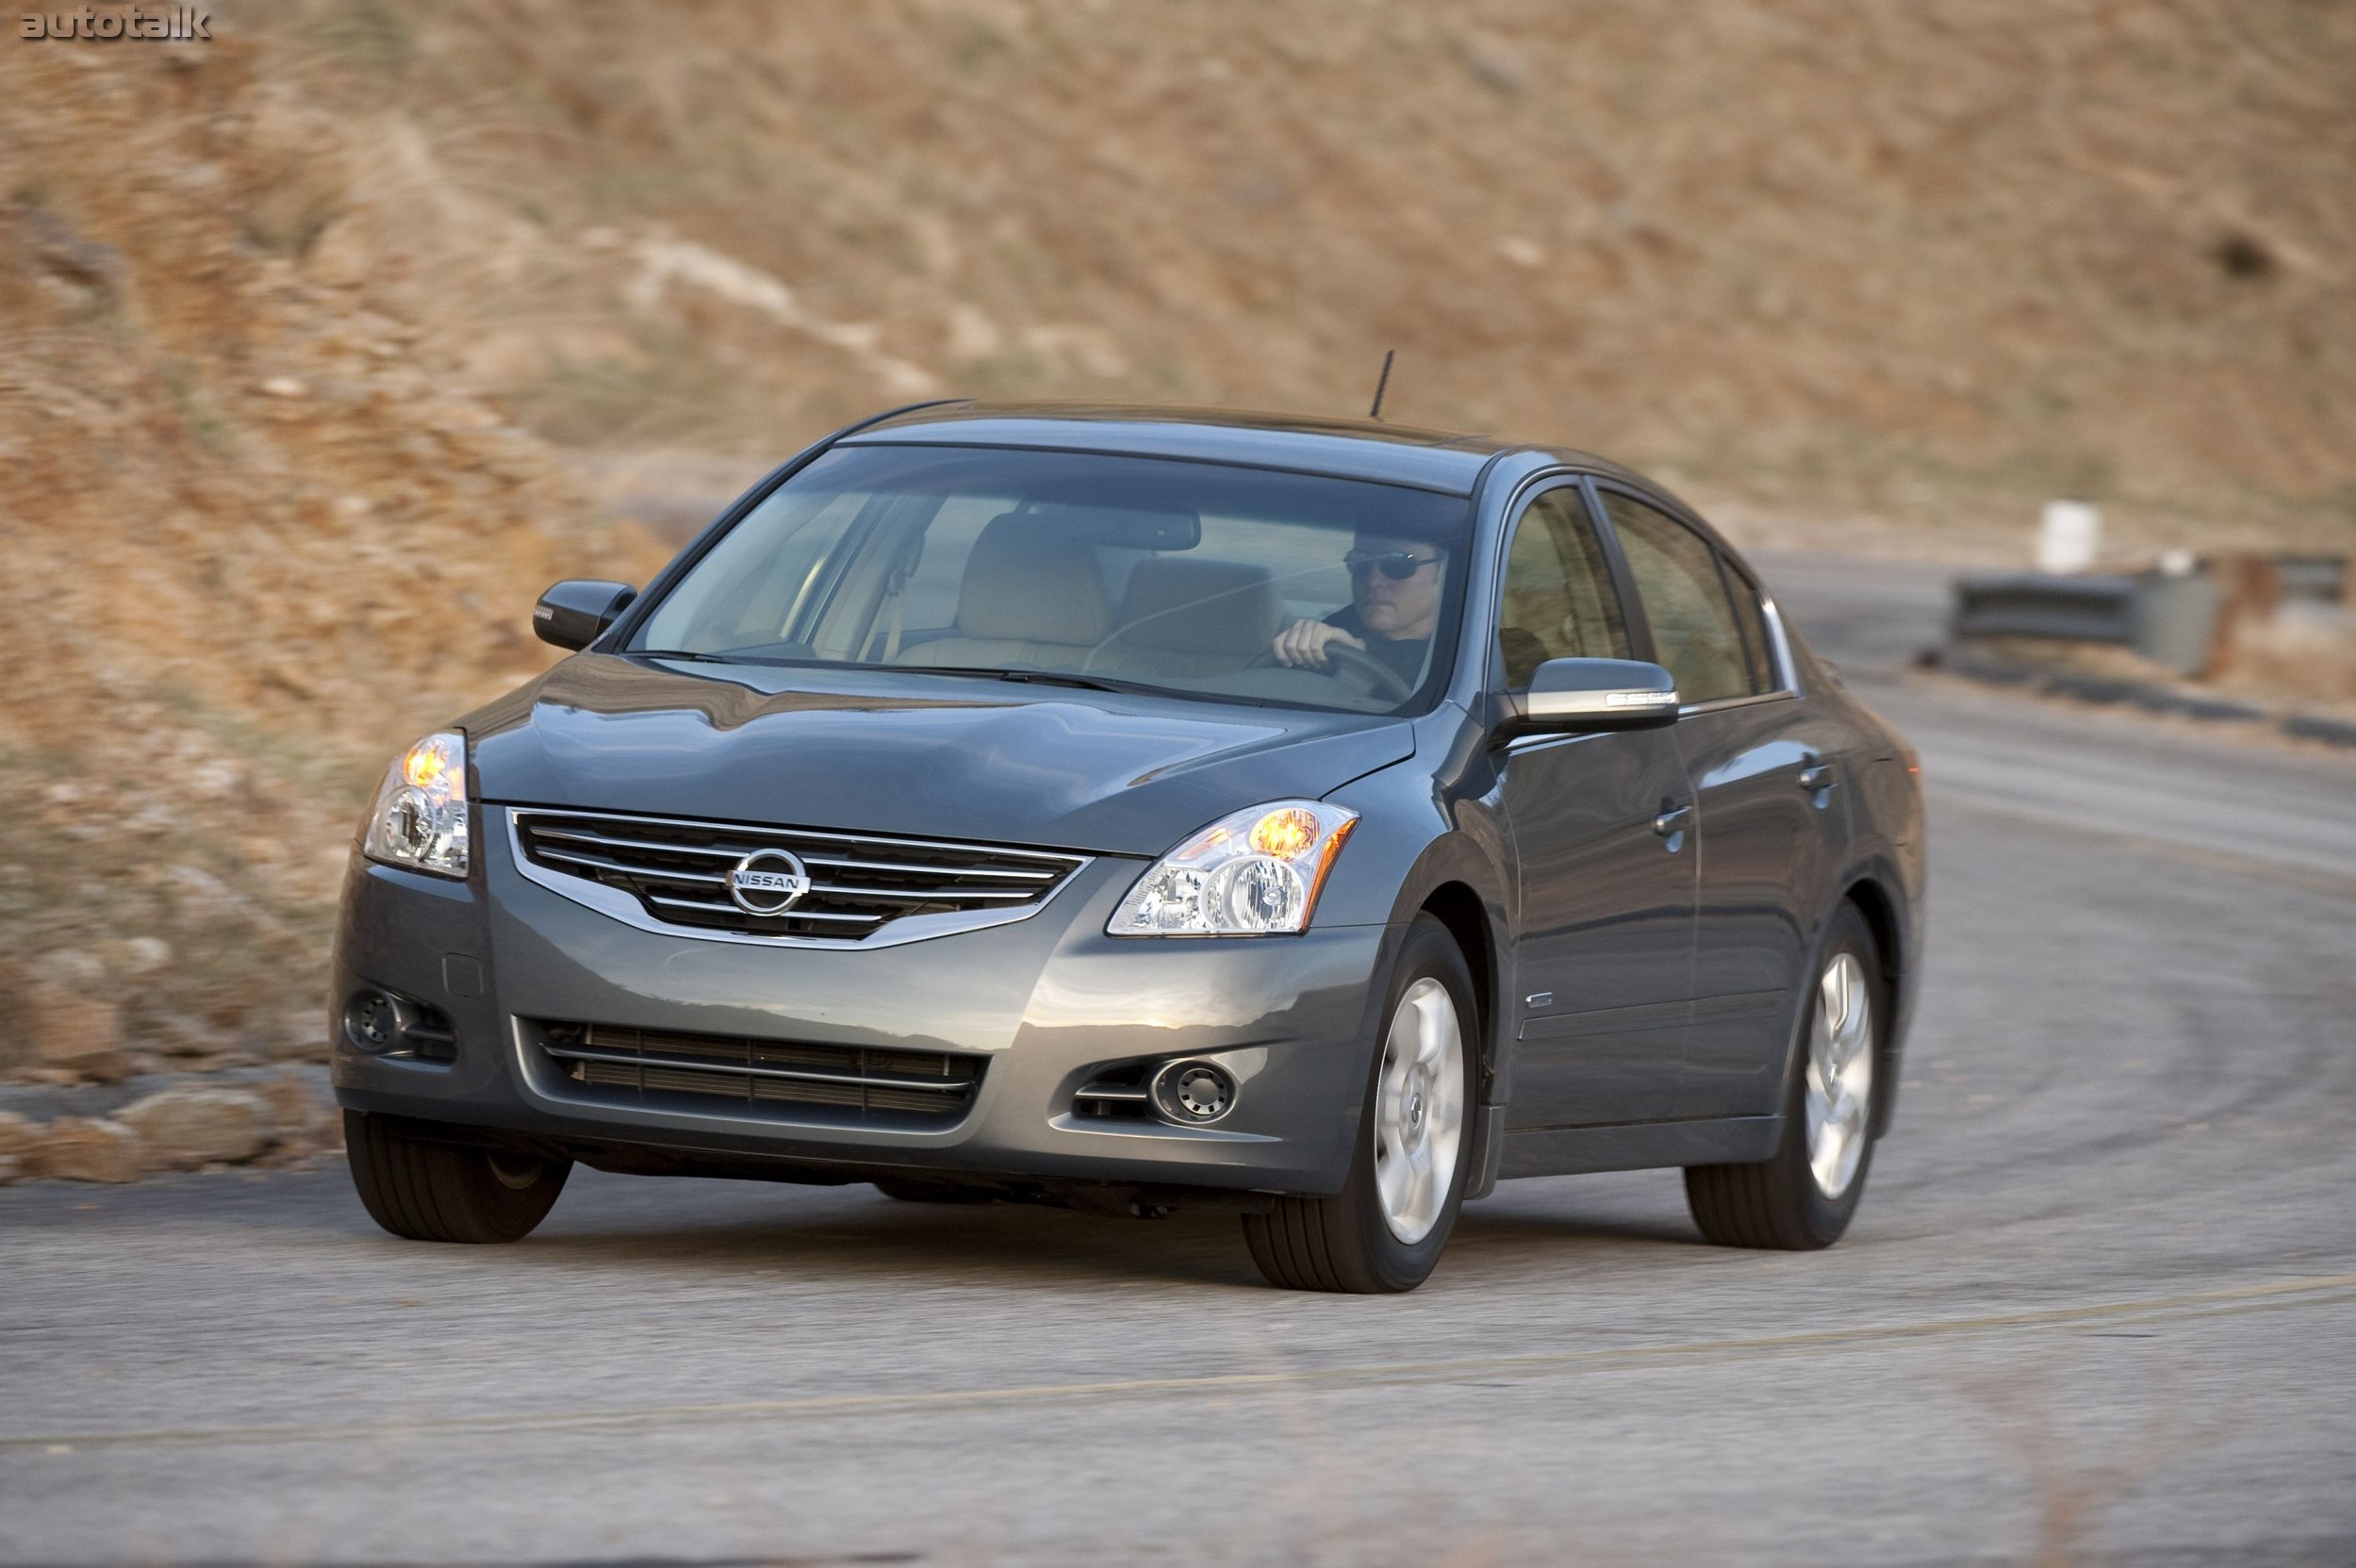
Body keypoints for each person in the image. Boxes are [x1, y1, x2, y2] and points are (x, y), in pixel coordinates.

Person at [1270, 533, 1445, 689]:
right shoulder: (1339, 626)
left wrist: (1359, 650)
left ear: (1442, 572)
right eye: (1361, 562)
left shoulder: (1460, 651)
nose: (1374, 580)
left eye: (1398, 564)